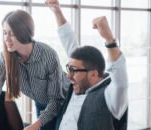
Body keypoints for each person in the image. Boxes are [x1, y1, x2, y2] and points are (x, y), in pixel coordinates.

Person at [0, 10, 69, 130]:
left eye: (12, 34)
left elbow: (56, 99)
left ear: (24, 33)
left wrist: (36, 124)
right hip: (42, 103)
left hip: (64, 102)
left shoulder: (48, 55)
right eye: (4, 33)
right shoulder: (5, 58)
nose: (7, 39)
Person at [46, 0, 128, 129]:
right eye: (69, 69)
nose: (69, 76)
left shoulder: (110, 96)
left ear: (94, 74)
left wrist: (109, 39)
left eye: (74, 71)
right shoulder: (79, 82)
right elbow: (69, 41)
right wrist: (57, 11)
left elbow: (121, 82)